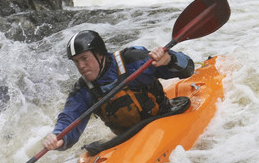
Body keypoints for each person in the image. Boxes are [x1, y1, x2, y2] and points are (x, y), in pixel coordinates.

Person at [43, 29, 195, 151]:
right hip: (128, 138)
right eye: (76, 62)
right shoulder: (83, 90)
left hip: (164, 119)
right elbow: (70, 117)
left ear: (100, 54)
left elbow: (187, 69)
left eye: (84, 58)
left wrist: (168, 59)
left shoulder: (133, 61)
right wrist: (58, 137)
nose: (81, 66)